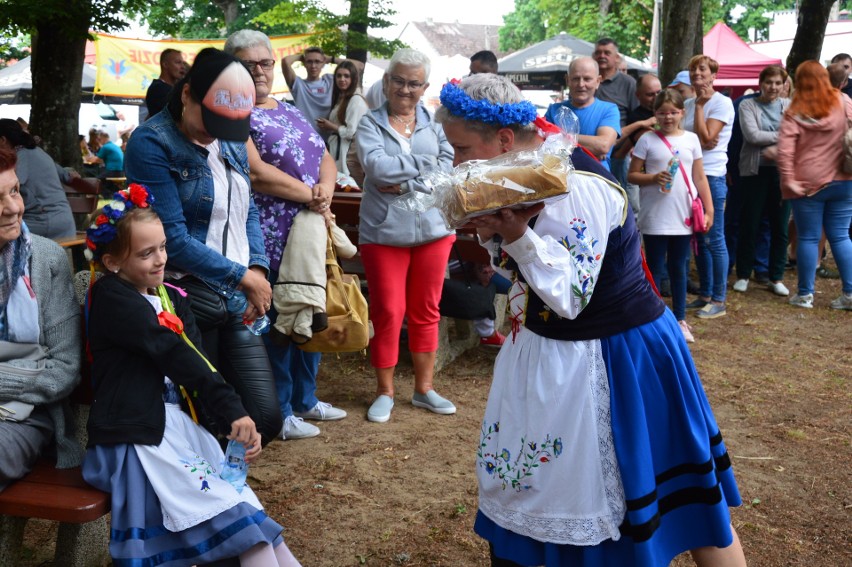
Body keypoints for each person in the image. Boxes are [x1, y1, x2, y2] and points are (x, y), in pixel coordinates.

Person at [436, 72, 745, 567]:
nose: (455, 164)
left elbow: (571, 295)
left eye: (461, 149)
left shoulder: (575, 184)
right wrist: (496, 231)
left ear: (505, 139)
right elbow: (528, 274)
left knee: (684, 501)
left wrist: (513, 234)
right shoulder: (523, 169)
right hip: (552, 350)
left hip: (617, 352)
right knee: (546, 488)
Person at [81, 185, 301, 566]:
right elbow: (173, 352)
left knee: (255, 525)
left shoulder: (174, 297)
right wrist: (233, 409)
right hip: (139, 438)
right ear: (113, 262)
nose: (159, 259)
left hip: (177, 431)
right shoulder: (112, 298)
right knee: (244, 529)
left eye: (163, 247)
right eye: (145, 253)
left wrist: (229, 425)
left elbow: (201, 364)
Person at [124, 48, 283, 445]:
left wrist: (257, 270)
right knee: (206, 416)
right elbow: (171, 241)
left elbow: (246, 210)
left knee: (266, 417)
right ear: (187, 94)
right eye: (210, 120)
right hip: (187, 293)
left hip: (238, 292)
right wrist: (242, 276)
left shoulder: (229, 139)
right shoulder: (152, 142)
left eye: (226, 124)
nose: (215, 132)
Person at [224, 30, 348, 440]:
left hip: (310, 229)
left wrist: (325, 190)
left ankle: (306, 399)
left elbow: (325, 156)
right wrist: (312, 196)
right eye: (248, 64)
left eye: (265, 63)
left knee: (311, 310)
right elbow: (256, 172)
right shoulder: (231, 114)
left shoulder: (291, 107)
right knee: (278, 318)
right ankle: (280, 407)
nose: (259, 71)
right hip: (270, 232)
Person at [355, 48, 455, 423]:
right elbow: (377, 170)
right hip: (383, 232)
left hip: (434, 229)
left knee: (426, 310)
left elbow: (448, 166)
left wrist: (407, 177)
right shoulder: (369, 124)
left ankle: (424, 389)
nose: (406, 89)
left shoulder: (437, 124)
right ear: (386, 82)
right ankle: (384, 391)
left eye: (414, 83)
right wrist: (422, 167)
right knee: (388, 312)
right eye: (399, 80)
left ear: (424, 86)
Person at [0, 147, 83, 492]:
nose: (14, 208)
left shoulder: (46, 260)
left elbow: (64, 369)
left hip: (26, 415)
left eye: (15, 191)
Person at [628, 89, 713, 343]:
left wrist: (709, 210)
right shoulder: (646, 140)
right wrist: (653, 178)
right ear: (655, 114)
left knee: (679, 268)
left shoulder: (691, 140)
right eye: (662, 112)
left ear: (682, 113)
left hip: (683, 215)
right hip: (655, 216)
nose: (668, 117)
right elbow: (632, 176)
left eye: (673, 112)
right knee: (654, 269)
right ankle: (653, 318)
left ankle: (680, 318)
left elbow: (699, 176)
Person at [777, 61, 852, 310]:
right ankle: (850, 294)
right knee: (841, 236)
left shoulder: (794, 110)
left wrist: (788, 181)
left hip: (807, 184)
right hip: (844, 179)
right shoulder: (843, 102)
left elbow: (785, 153)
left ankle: (805, 295)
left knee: (808, 237)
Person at [682, 55, 734, 320]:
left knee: (714, 238)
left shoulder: (722, 103)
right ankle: (704, 293)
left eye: (702, 69)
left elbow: (708, 140)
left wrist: (701, 107)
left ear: (714, 75)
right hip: (688, 178)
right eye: (693, 69)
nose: (696, 73)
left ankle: (719, 299)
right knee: (699, 239)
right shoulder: (687, 103)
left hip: (711, 177)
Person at [732, 65, 791, 297]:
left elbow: (800, 135)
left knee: (780, 225)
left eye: (778, 83)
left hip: (783, 172)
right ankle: (744, 274)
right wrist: (785, 136)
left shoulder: (789, 106)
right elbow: (752, 135)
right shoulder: (748, 104)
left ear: (784, 84)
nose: (773, 87)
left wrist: (786, 139)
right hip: (754, 172)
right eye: (769, 82)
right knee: (750, 222)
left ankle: (775, 276)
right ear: (761, 83)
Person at [0, 119, 76, 239]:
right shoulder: (36, 151)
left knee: (4, 229)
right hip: (63, 221)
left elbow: (5, 185)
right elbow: (67, 175)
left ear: (2, 140)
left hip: (45, 221)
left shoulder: (20, 157)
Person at [544, 57, 620, 171]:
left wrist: (560, 137)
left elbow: (603, 145)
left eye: (587, 79)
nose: (581, 84)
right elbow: (542, 146)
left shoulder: (609, 109)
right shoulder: (553, 110)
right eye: (575, 79)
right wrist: (589, 150)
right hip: (560, 181)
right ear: (567, 80)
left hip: (596, 181)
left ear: (598, 81)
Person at [281, 47, 363, 139]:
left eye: (317, 61)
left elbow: (359, 66)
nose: (313, 65)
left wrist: (330, 59)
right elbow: (285, 61)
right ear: (304, 63)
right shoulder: (298, 84)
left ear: (323, 63)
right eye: (309, 61)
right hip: (306, 138)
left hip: (331, 140)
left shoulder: (330, 80)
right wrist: (301, 57)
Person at [612, 73, 662, 217]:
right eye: (650, 94)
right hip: (643, 177)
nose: (656, 97)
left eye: (659, 92)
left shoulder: (666, 110)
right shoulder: (637, 117)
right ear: (638, 96)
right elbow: (647, 141)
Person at [593, 38, 637, 190]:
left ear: (616, 57)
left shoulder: (628, 83)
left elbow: (637, 115)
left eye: (607, 53)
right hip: (591, 150)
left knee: (621, 196)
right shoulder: (586, 82)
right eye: (598, 53)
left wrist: (627, 147)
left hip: (619, 153)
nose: (602, 56)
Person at [316, 60, 369, 176]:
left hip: (346, 153)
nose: (342, 79)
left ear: (353, 78)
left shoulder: (356, 100)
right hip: (337, 150)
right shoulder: (342, 99)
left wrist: (331, 126)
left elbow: (352, 132)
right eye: (339, 76)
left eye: (346, 76)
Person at [145, 48, 187, 120]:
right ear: (165, 64)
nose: (182, 67)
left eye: (183, 63)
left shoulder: (171, 88)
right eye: (178, 62)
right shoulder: (158, 89)